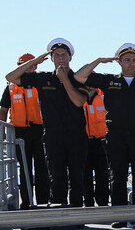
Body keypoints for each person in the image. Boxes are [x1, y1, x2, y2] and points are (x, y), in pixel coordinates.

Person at [74, 44, 135, 221]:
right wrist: (99, 61)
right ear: (120, 62)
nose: (131, 63)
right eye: (127, 60)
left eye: (134, 60)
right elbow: (79, 76)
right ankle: (119, 216)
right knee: (117, 176)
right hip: (116, 136)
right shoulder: (108, 81)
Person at [5, 39, 89, 208]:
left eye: (64, 55)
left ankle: (77, 218)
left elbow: (80, 102)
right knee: (56, 179)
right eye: (56, 55)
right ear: (51, 58)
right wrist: (35, 61)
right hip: (53, 137)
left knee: (76, 179)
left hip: (76, 136)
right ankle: (58, 219)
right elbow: (11, 77)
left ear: (70, 58)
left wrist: (64, 79)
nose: (60, 58)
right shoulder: (42, 78)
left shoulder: (79, 78)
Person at [0, 53, 50, 209]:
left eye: (33, 65)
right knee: (25, 169)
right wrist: (2, 131)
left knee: (43, 168)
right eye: (27, 65)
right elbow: (3, 109)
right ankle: (27, 202)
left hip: (40, 131)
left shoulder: (41, 83)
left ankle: (43, 202)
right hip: (19, 132)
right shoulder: (11, 87)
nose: (31, 68)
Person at [83, 87, 110, 206]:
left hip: (101, 141)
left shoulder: (104, 96)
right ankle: (88, 202)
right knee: (84, 174)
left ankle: (103, 202)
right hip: (83, 141)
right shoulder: (77, 95)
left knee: (103, 174)